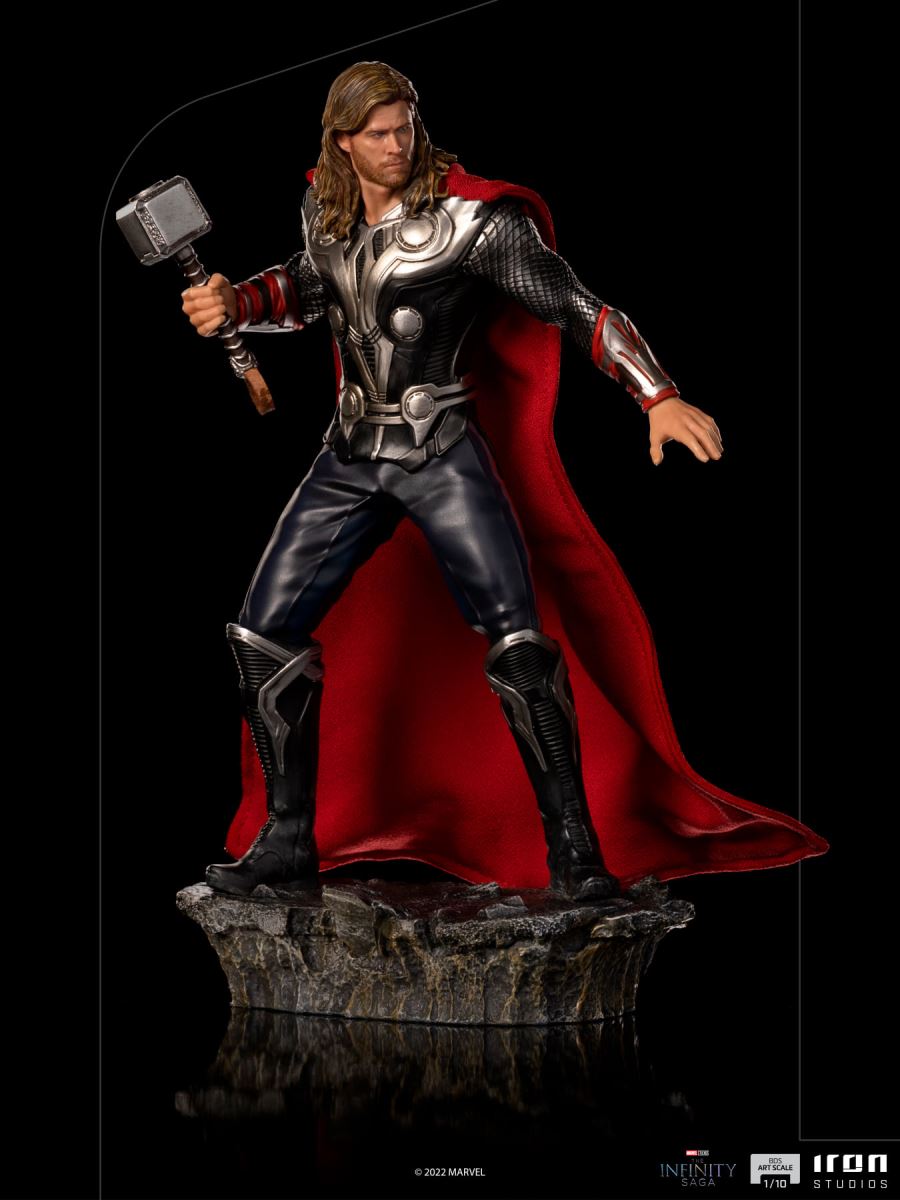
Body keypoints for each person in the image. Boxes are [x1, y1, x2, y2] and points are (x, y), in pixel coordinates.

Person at [181, 62, 818, 904]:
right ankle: (288, 839)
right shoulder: (325, 211)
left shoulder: (475, 224)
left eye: (407, 126)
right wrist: (240, 302)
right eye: (379, 133)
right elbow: (312, 284)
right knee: (260, 636)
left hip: (441, 450)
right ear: (342, 142)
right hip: (350, 454)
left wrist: (657, 394)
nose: (399, 144)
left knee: (520, 646)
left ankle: (575, 852)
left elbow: (573, 304)